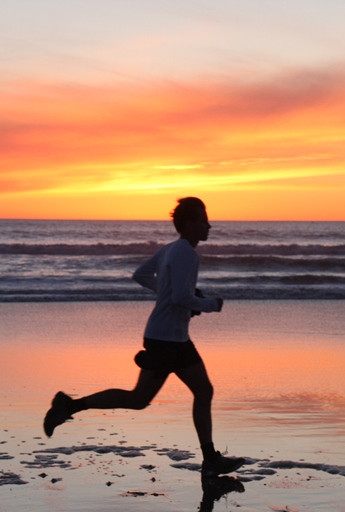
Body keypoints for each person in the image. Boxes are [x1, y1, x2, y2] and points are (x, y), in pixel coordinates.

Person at [42, 196, 244, 477]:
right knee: (141, 399)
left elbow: (141, 275)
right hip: (166, 340)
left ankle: (210, 459)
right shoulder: (185, 252)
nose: (209, 226)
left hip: (172, 337)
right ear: (189, 224)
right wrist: (210, 304)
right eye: (203, 220)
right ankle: (70, 405)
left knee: (194, 392)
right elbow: (181, 296)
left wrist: (170, 294)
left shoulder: (170, 249)